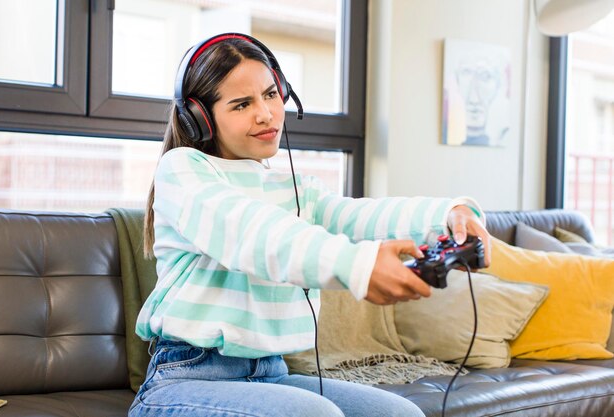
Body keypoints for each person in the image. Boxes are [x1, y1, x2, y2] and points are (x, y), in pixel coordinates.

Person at [129, 33, 491, 417]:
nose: (266, 114)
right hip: (186, 380)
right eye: (241, 104)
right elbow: (255, 233)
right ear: (199, 118)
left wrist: (448, 214)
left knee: (401, 414)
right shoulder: (183, 170)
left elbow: (359, 217)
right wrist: (359, 266)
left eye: (271, 95)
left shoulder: (296, 189)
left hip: (271, 374)